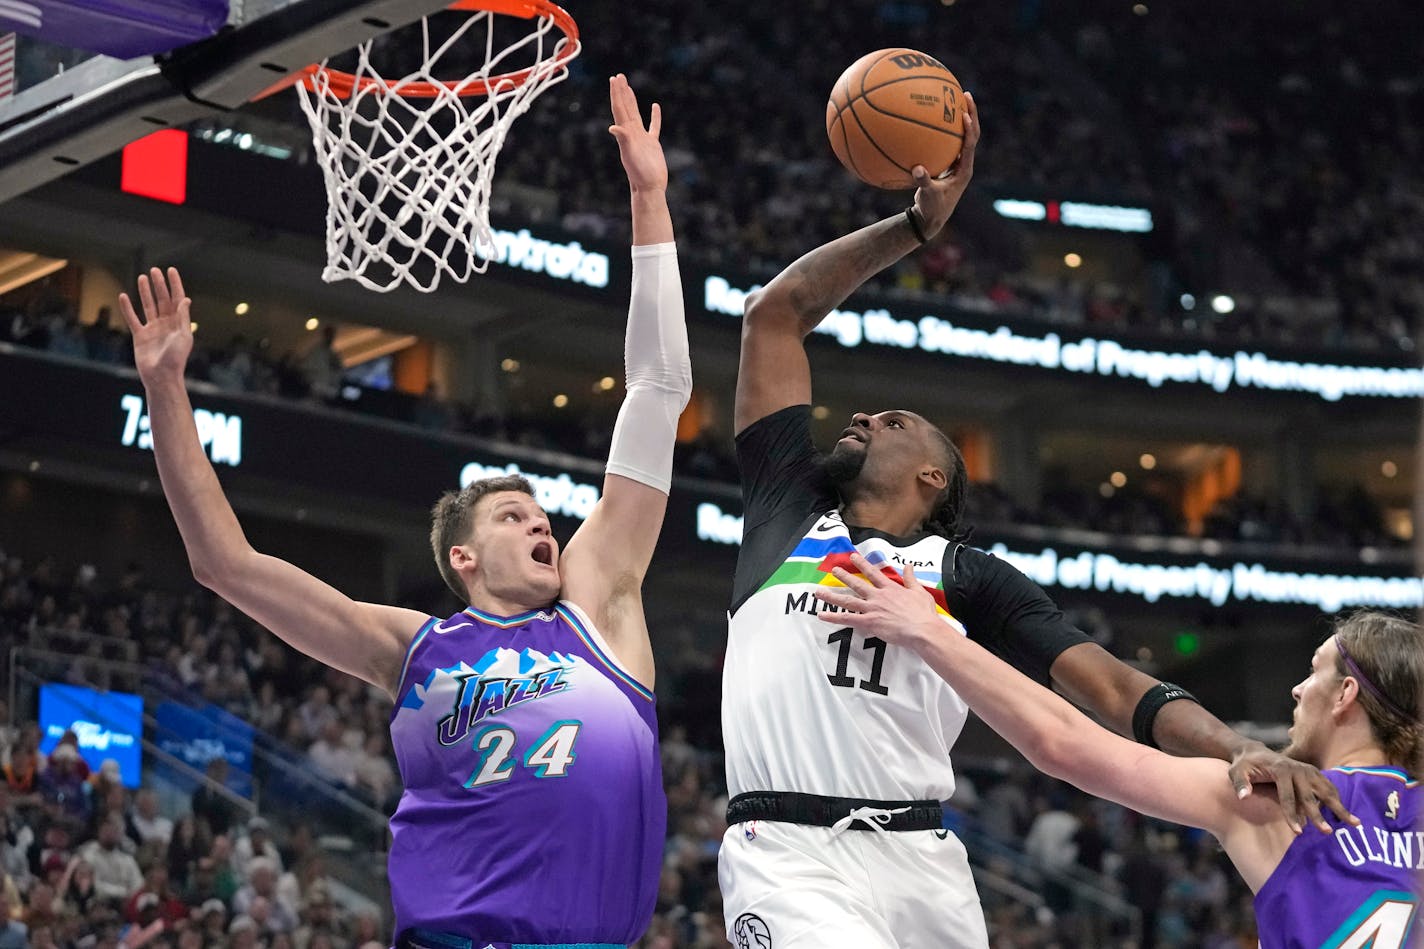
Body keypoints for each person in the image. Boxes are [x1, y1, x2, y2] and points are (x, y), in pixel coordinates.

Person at [718, 90, 1351, 948]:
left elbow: (1116, 688)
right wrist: (914, 228)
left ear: (934, 476)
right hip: (784, 850)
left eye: (895, 422)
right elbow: (773, 316)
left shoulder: (966, 576)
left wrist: (1234, 746)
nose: (863, 418)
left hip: (921, 856)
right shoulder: (786, 512)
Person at [118, 73, 688, 948]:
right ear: (461, 557)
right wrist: (164, 389)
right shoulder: (416, 647)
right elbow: (223, 563)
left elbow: (655, 388)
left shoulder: (600, 608)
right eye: (513, 517)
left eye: (542, 517)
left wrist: (650, 202)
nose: (542, 525)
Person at [816, 565, 1421, 948]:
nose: (1296, 689)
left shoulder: (1278, 806)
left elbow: (1063, 740)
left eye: (1314, 673)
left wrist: (930, 632)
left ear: (1345, 695)